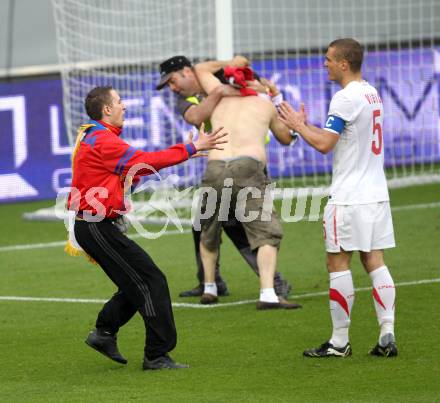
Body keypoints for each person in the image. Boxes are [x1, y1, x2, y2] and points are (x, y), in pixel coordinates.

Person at [67, 86, 227, 370]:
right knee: (151, 281)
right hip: (96, 227)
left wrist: (186, 154)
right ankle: (156, 355)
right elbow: (143, 162)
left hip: (95, 226)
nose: (124, 106)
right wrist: (190, 148)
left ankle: (104, 333)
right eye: (119, 101)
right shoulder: (103, 140)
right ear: (106, 110)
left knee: (136, 282)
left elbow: (131, 172)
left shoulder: (97, 137)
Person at [278, 38, 397, 357]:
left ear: (344, 63)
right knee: (375, 261)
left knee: (338, 263)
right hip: (376, 194)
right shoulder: (371, 93)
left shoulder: (345, 98)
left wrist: (299, 127)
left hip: (348, 198)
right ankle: (387, 333)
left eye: (329, 59)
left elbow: (325, 144)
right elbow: (341, 137)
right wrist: (306, 126)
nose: (325, 63)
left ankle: (339, 342)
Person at [156, 55, 292, 300]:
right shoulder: (191, 97)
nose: (172, 88)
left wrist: (252, 84)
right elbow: (196, 116)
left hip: (248, 162)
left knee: (235, 224)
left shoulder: (223, 78)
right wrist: (219, 93)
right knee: (203, 224)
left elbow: (258, 82)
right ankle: (212, 282)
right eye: (168, 85)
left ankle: (269, 283)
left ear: (188, 71)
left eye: (172, 81)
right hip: (220, 162)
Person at [193, 59, 302, 310]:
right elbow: (285, 138)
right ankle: (267, 293)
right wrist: (276, 98)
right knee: (266, 233)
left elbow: (201, 69)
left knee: (209, 228)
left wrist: (233, 61)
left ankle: (209, 287)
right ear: (254, 81)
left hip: (216, 166)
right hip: (248, 167)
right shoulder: (264, 104)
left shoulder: (217, 96)